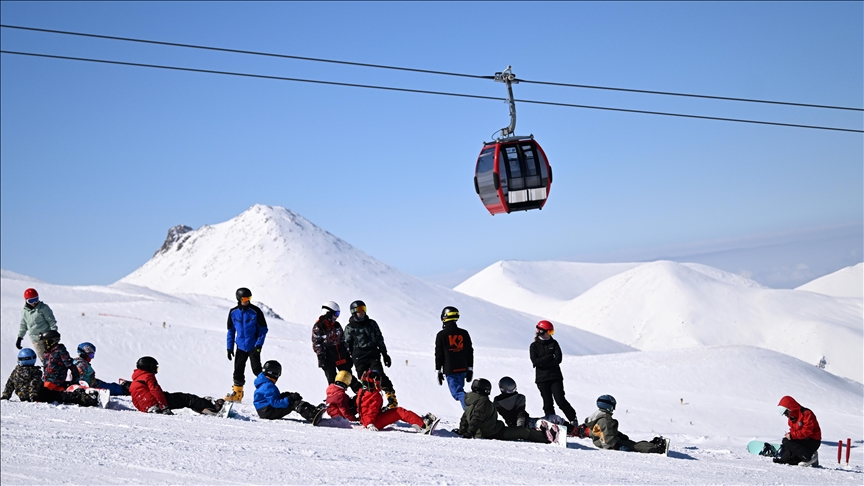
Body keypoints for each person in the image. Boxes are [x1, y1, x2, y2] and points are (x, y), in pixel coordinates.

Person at [452, 378, 552, 444]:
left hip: (487, 430)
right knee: (521, 431)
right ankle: (546, 437)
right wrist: (470, 433)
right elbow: (477, 417)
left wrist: (462, 430)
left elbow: (465, 417)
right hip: (492, 432)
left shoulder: (471, 399)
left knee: (517, 429)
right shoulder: (483, 401)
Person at [1, 348, 97, 407]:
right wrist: (33, 396)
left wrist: (5, 396)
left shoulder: (15, 372)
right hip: (39, 395)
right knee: (62, 396)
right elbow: (34, 383)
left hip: (25, 396)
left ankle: (78, 393)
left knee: (59, 392)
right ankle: (87, 398)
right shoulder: (36, 372)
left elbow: (9, 384)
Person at [129, 356, 223, 415]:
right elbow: (156, 391)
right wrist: (164, 407)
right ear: (149, 367)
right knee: (187, 398)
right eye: (155, 368)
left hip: (149, 407)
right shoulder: (148, 376)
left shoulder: (135, 382)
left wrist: (145, 410)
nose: (156, 370)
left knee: (176, 397)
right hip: (157, 404)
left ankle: (205, 405)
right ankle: (213, 409)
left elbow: (135, 400)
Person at [344, 300, 393, 406]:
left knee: (379, 376)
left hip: (373, 354)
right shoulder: (350, 328)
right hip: (359, 358)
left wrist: (385, 354)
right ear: (353, 312)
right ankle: (370, 404)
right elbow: (346, 345)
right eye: (359, 310)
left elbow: (379, 339)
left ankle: (391, 398)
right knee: (365, 381)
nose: (362, 312)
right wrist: (348, 359)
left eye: (363, 309)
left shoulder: (371, 324)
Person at [529, 320, 578, 427]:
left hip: (555, 377)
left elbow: (558, 359)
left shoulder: (554, 343)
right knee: (547, 402)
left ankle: (573, 420)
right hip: (542, 379)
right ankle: (552, 422)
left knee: (560, 400)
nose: (551, 334)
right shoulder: (534, 346)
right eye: (549, 331)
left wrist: (543, 362)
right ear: (541, 331)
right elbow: (535, 361)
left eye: (552, 331)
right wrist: (550, 357)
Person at [224, 287, 268, 403]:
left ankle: (267, 393)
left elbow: (263, 330)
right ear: (239, 299)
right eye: (244, 298)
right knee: (238, 371)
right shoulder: (233, 313)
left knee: (257, 370)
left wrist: (258, 345)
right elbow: (231, 331)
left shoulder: (255, 311)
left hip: (253, 347)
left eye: (249, 298)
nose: (247, 300)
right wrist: (229, 347)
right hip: (240, 347)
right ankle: (237, 395)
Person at [355, 369, 436, 433]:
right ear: (373, 382)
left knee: (396, 411)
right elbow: (370, 410)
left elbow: (363, 407)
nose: (379, 383)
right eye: (378, 381)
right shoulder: (374, 395)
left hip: (368, 420)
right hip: (374, 422)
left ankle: (419, 421)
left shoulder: (362, 391)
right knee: (399, 412)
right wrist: (370, 424)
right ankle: (423, 426)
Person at [583, 394, 667, 454]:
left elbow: (605, 432)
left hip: (606, 441)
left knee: (630, 442)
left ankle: (651, 444)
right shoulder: (604, 419)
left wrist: (619, 435)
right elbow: (606, 439)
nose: (614, 409)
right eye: (613, 406)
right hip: (607, 444)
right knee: (632, 446)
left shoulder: (599, 415)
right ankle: (656, 449)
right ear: (608, 406)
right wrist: (617, 446)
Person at [253, 360, 324, 423]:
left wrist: (286, 395)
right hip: (268, 412)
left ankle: (313, 410)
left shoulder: (264, 383)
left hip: (265, 411)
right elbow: (275, 403)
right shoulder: (268, 386)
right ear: (274, 373)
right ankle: (312, 415)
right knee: (293, 403)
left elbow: (271, 399)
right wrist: (290, 398)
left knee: (289, 399)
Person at [434, 306, 474, 410]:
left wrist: (438, 370)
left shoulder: (441, 335)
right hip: (463, 368)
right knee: (460, 391)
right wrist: (470, 368)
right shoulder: (464, 333)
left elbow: (439, 354)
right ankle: (472, 406)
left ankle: (471, 412)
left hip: (450, 369)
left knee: (457, 393)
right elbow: (470, 352)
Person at [312, 301, 354, 387]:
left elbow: (343, 340)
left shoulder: (337, 325)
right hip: (328, 359)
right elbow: (317, 344)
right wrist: (321, 358)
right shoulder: (318, 327)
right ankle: (335, 398)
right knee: (333, 381)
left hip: (340, 356)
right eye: (336, 314)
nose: (336, 317)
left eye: (338, 314)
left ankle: (361, 396)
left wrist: (348, 355)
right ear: (328, 313)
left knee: (348, 377)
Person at [774, 395, 821, 467]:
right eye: (785, 414)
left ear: (790, 409)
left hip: (812, 441)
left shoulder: (806, 413)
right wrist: (783, 460)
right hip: (802, 441)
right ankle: (809, 455)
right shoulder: (791, 419)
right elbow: (795, 433)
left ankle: (809, 457)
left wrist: (792, 436)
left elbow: (807, 431)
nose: (786, 416)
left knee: (786, 441)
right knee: (792, 461)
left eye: (786, 413)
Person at [16, 288, 58, 364]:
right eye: (31, 301)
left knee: (53, 359)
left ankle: (56, 374)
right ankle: (48, 374)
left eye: (36, 299)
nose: (34, 302)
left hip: (47, 337)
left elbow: (51, 321)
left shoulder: (43, 308)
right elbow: (23, 325)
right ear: (26, 300)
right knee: (44, 360)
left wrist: (53, 335)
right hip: (36, 340)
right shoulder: (24, 312)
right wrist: (20, 338)